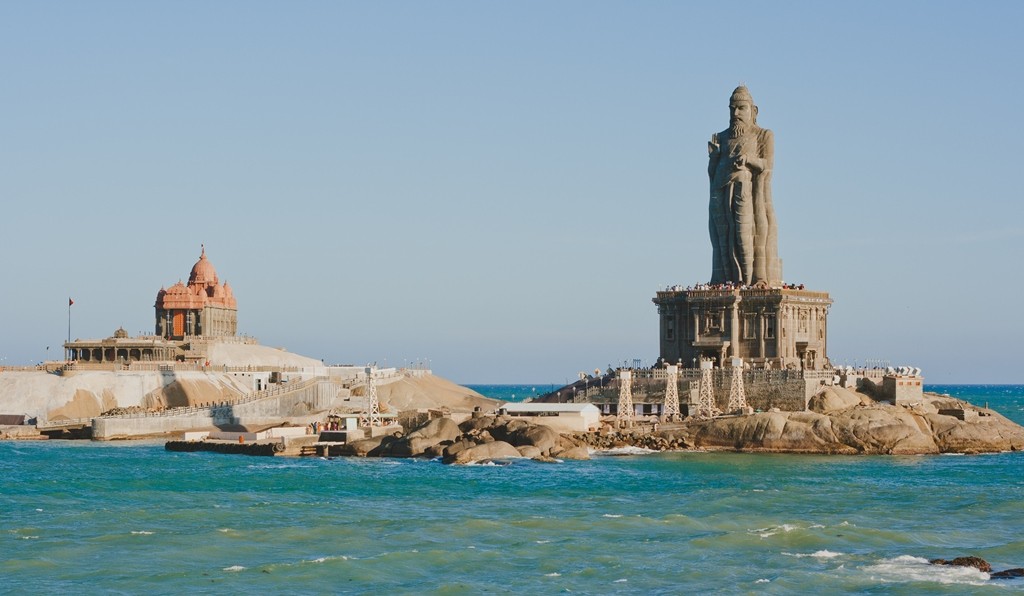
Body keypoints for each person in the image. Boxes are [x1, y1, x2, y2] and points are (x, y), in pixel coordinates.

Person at [707, 86, 780, 286]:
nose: (736, 113)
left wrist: (748, 160)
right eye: (732, 109)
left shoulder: (763, 135)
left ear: (753, 111)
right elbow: (711, 173)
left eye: (741, 108)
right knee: (721, 239)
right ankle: (723, 279)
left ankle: (751, 280)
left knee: (744, 235)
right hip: (720, 193)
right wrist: (713, 158)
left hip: (745, 191)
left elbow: (768, 165)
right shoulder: (721, 137)